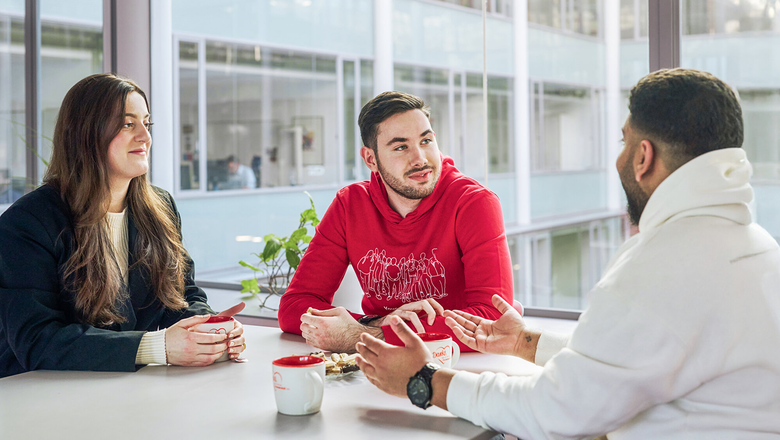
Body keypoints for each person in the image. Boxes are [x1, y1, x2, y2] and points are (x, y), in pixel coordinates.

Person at [355, 68, 780, 438]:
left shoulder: (662, 263)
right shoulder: (756, 248)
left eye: (623, 142)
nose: (618, 157)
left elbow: (554, 413)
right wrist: (525, 342)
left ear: (643, 156)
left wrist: (423, 380)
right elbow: (630, 358)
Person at [0, 73, 247, 378]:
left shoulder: (160, 207)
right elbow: (37, 341)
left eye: (147, 123)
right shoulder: (28, 223)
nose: (145, 136)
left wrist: (209, 329)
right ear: (86, 134)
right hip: (35, 396)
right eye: (128, 124)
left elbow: (184, 294)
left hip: (125, 390)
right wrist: (158, 347)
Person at [278, 91, 514, 353]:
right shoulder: (350, 205)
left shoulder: (474, 203)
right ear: (371, 159)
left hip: (457, 365)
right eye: (401, 147)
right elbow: (294, 307)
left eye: (426, 141)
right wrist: (375, 325)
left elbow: (492, 319)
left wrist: (367, 333)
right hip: (379, 363)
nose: (420, 159)